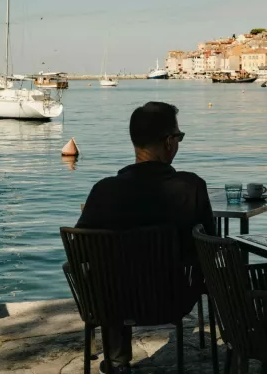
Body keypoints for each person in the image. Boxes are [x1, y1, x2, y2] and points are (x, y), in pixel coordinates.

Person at [75, 101, 215, 374]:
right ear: (168, 142)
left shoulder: (104, 191)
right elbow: (208, 246)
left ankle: (117, 361)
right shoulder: (191, 186)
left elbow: (81, 250)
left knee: (108, 273)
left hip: (112, 303)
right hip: (172, 299)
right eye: (179, 136)